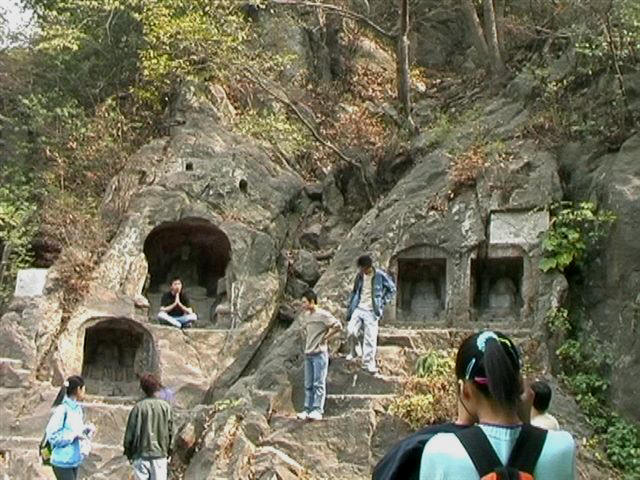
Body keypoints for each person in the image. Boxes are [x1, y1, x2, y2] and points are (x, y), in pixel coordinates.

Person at [419, 331, 576, 479]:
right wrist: (526, 423)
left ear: (464, 389)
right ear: (520, 384)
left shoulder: (440, 451)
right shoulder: (562, 447)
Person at [296, 289, 342, 421]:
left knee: (318, 383)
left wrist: (326, 337)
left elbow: (338, 325)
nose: (303, 305)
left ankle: (317, 410)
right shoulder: (306, 316)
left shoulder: (323, 315)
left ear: (312, 301)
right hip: (308, 353)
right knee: (308, 384)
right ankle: (307, 409)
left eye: (304, 302)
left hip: (319, 353)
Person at [346, 254, 396, 374]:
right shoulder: (359, 276)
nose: (361, 270)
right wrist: (351, 304)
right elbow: (355, 291)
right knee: (351, 331)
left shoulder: (379, 275)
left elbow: (392, 289)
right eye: (360, 268)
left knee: (370, 338)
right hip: (359, 307)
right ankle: (355, 351)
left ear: (368, 267)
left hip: (372, 310)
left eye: (363, 268)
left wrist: (382, 302)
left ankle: (368, 364)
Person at [123, 373, 173, 480]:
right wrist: (169, 451)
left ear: (142, 388)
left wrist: (129, 454)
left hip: (140, 456)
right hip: (160, 457)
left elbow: (129, 436)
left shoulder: (138, 408)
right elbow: (171, 432)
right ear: (157, 387)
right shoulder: (166, 407)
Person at [45, 375, 95, 480]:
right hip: (62, 461)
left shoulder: (77, 409)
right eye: (83, 389)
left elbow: (75, 429)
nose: (85, 392)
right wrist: (72, 436)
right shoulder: (62, 409)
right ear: (78, 389)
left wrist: (86, 430)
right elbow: (52, 435)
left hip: (74, 460)